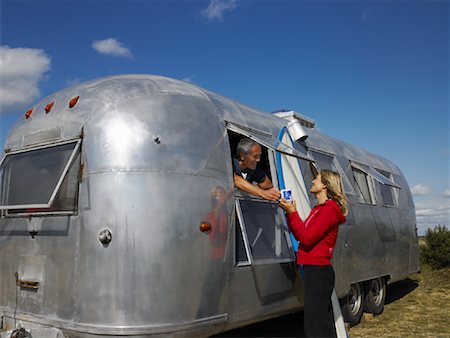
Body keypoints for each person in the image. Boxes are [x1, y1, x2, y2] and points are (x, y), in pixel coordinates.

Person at [279, 169, 348, 338]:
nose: (312, 182)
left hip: (319, 271)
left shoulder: (329, 210)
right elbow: (301, 235)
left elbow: (307, 239)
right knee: (319, 320)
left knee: (316, 323)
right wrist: (291, 212)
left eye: (316, 179)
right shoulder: (318, 209)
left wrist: (293, 212)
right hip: (314, 270)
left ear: (325, 185)